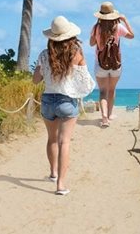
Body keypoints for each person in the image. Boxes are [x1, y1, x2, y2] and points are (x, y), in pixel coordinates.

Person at [32, 15, 88, 196]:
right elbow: (85, 82)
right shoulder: (76, 53)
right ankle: (61, 185)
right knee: (65, 142)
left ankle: (53, 173)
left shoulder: (43, 54)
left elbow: (35, 80)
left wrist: (43, 71)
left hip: (48, 100)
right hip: (66, 101)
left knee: (52, 139)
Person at [89, 1, 134, 128]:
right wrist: (125, 20)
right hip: (116, 64)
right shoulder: (118, 27)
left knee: (103, 91)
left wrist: (97, 37)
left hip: (100, 64)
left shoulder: (96, 28)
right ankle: (109, 114)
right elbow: (132, 36)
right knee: (112, 89)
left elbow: (92, 43)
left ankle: (104, 118)